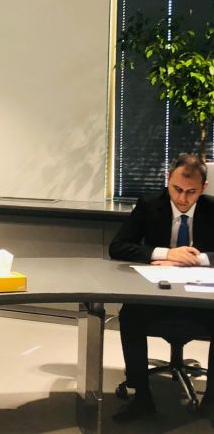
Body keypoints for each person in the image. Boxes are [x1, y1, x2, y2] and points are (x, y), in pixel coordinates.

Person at [109, 153, 214, 422]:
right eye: (177, 189)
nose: (182, 198)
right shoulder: (149, 204)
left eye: (191, 192)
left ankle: (211, 401)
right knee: (130, 315)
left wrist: (197, 258)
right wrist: (166, 253)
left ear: (203, 187)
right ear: (168, 180)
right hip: (157, 293)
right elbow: (118, 246)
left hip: (200, 296)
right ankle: (141, 397)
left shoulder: (212, 208)